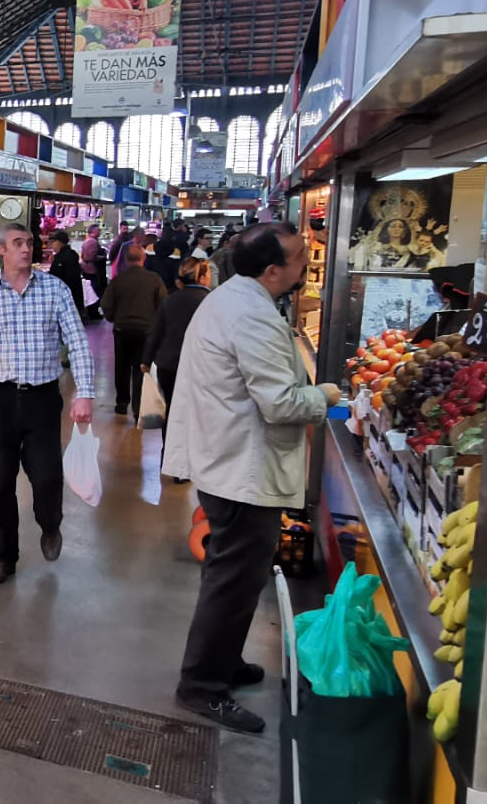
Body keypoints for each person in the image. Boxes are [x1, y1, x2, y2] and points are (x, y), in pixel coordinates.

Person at [165, 224, 342, 733]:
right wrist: (325, 396)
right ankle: (201, 686)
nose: (305, 268)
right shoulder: (251, 315)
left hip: (227, 461)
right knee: (232, 581)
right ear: (271, 271)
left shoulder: (232, 299)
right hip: (241, 469)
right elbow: (281, 402)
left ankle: (223, 661)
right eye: (299, 261)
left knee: (236, 579)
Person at [0, 222, 96, 584]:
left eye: (30, 243)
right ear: (1, 249)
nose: (26, 249)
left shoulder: (55, 290)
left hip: (41, 397)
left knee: (47, 476)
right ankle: (4, 556)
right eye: (17, 243)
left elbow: (78, 342)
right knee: (0, 482)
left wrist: (84, 391)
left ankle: (50, 523)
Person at [144, 254, 214, 484]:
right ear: (202, 276)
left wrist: (146, 360)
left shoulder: (171, 299)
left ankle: (171, 460)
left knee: (173, 413)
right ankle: (190, 464)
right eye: (209, 273)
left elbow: (157, 331)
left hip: (168, 364)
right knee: (195, 415)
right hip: (199, 366)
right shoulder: (212, 301)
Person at [101, 243, 166, 418]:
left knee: (121, 367)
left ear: (125, 259)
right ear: (143, 259)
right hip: (146, 330)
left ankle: (122, 402)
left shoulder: (118, 280)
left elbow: (106, 305)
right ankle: (138, 406)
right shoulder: (154, 279)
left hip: (122, 329)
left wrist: (113, 318)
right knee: (141, 368)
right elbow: (163, 304)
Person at [47, 231, 84, 315]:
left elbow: (71, 279)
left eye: (53, 242)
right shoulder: (59, 256)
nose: (52, 245)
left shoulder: (68, 256)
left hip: (67, 297)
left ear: (59, 242)